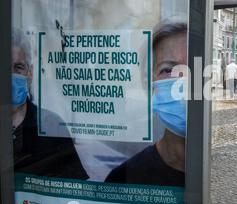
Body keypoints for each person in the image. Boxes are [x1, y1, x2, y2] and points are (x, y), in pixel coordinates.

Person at [105, 22, 187, 187]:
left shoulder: (223, 174)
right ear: (149, 86)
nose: (182, 80)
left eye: (194, 67)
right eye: (168, 70)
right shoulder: (123, 179)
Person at [11, 30, 89, 179]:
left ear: (30, 73)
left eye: (18, 67)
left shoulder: (51, 126)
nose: (10, 76)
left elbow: (75, 189)